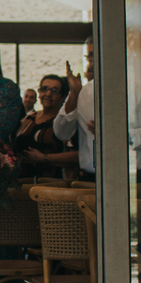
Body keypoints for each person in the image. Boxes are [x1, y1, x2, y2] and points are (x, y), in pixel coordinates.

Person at [14, 75, 78, 179]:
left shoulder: (66, 122)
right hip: (22, 184)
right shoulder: (28, 119)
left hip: (54, 186)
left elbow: (78, 155)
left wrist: (44, 158)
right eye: (44, 89)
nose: (48, 94)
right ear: (39, 92)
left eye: (55, 90)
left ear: (62, 96)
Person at [54, 38, 96, 182]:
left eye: (95, 54)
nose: (91, 60)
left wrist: (113, 134)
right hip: (90, 177)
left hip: (127, 174)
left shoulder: (132, 88)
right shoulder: (82, 92)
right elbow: (61, 132)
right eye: (90, 55)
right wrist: (74, 94)